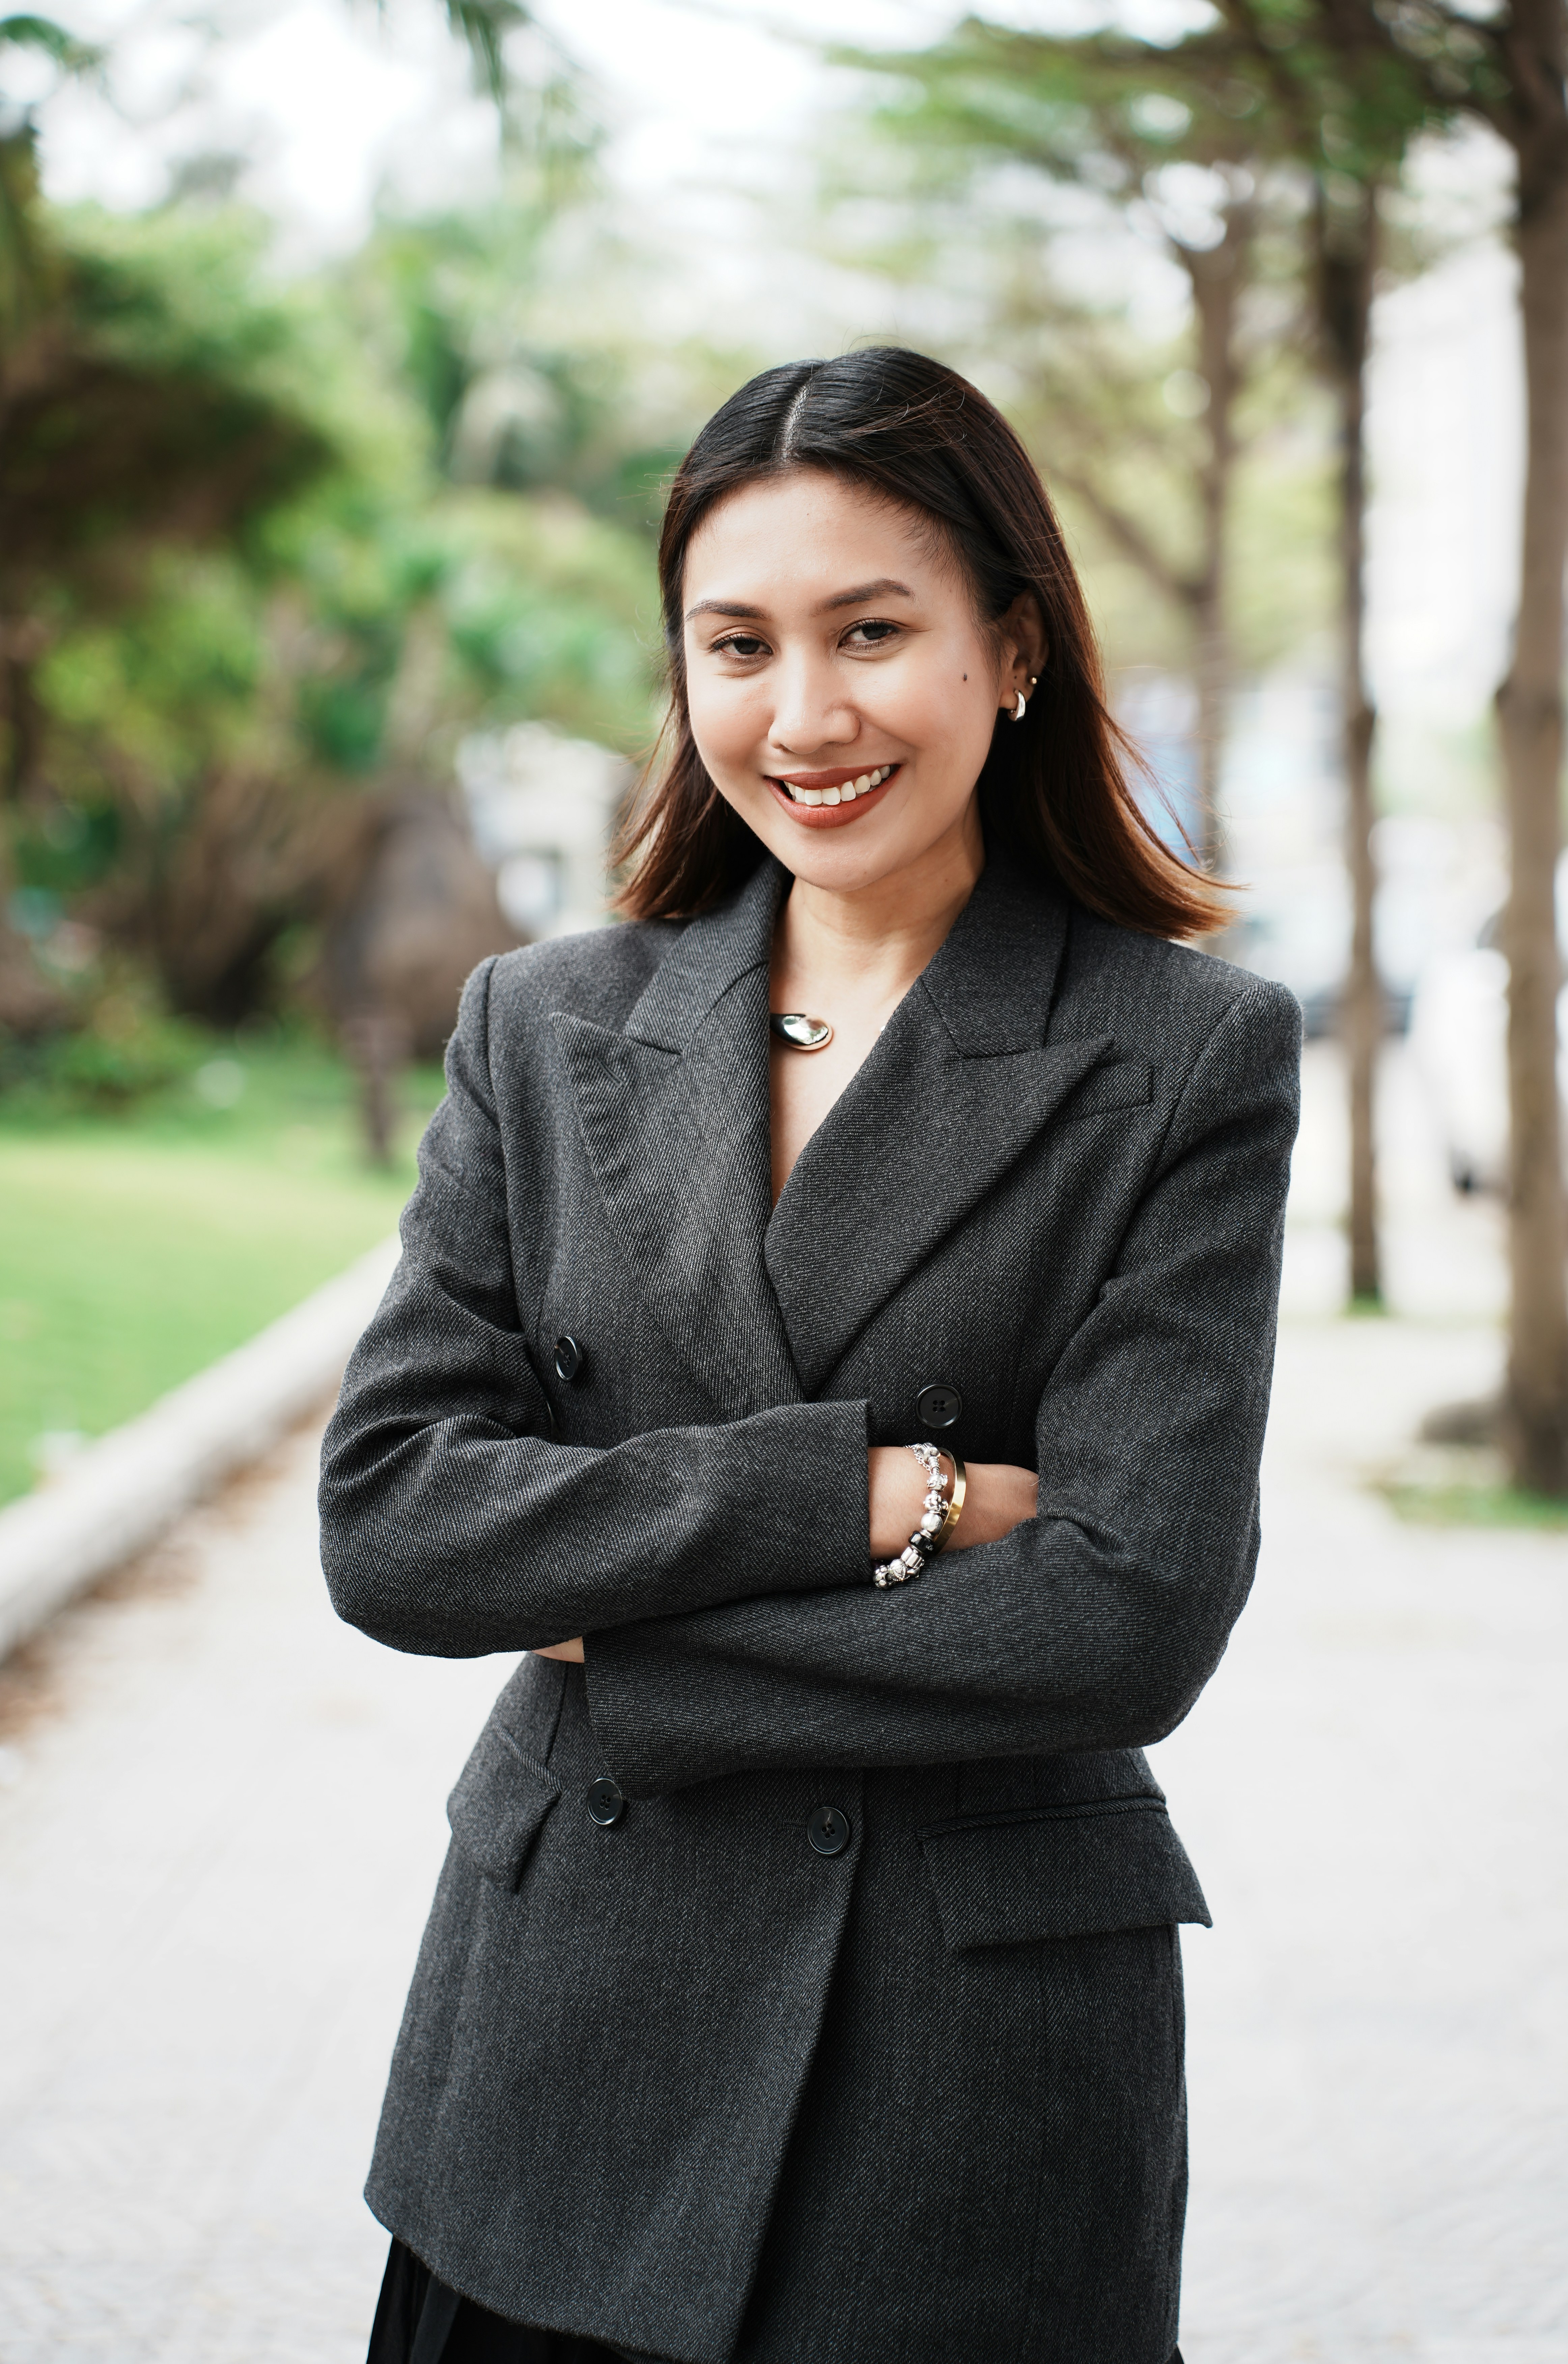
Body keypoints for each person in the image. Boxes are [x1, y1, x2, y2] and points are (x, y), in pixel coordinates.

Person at [319, 346, 1300, 2364]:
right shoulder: (547, 1024)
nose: (806, 713)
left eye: (874, 633)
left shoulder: (1179, 1054)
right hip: (561, 2040)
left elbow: (1126, 1615)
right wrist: (873, 1500)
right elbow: (396, 1524)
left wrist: (620, 1639)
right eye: (738, 643)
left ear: (1012, 648)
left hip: (967, 2076)